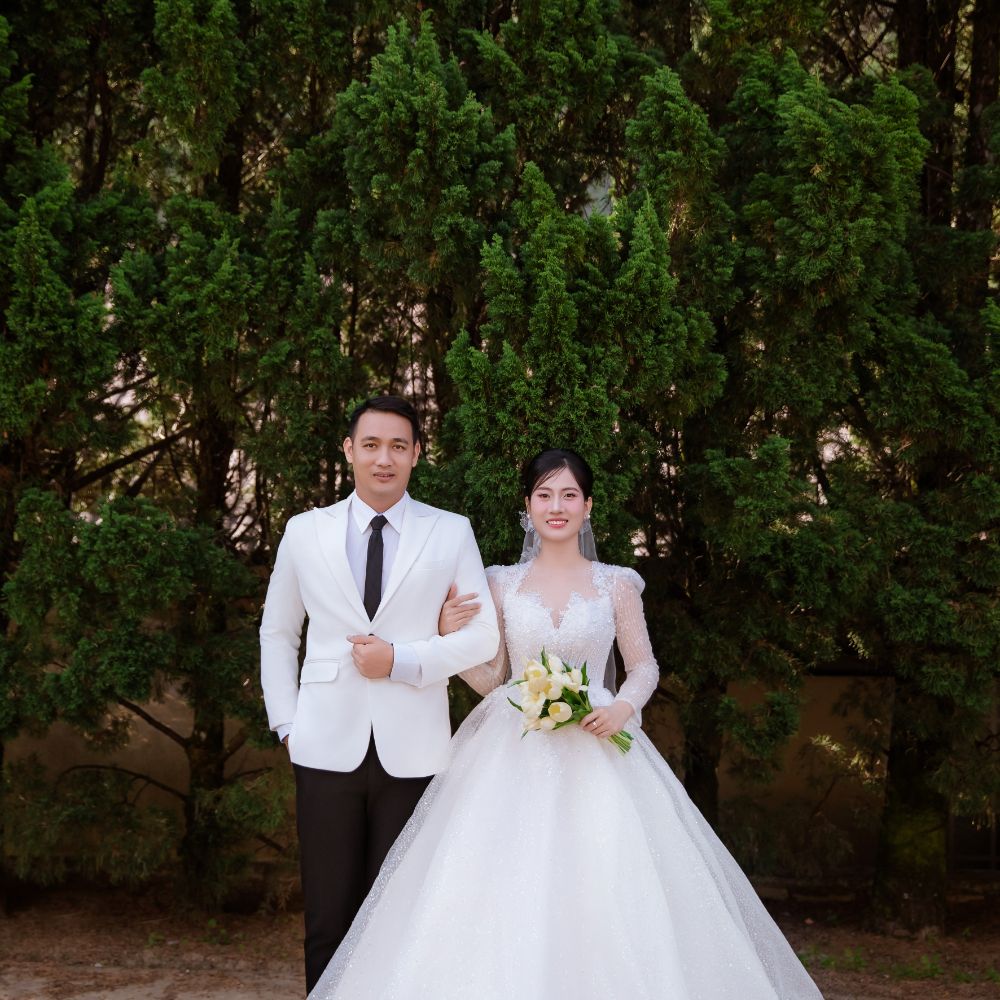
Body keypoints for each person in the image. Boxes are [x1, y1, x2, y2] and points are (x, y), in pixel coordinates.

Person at [308, 447, 824, 1000]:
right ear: (527, 506)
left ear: (588, 506)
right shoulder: (499, 584)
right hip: (512, 745)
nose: (557, 507)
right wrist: (447, 637)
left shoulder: (617, 585)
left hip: (599, 743)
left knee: (609, 880)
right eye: (545, 495)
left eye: (569, 495)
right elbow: (491, 677)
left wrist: (622, 708)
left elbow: (644, 666)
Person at [259, 395, 500, 994]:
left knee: (400, 919)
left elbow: (483, 637)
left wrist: (402, 659)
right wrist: (287, 724)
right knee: (327, 919)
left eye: (397, 446)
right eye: (370, 445)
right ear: (349, 451)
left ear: (417, 453)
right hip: (322, 744)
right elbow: (278, 633)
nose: (383, 459)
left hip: (414, 750)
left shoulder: (450, 531)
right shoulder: (304, 531)